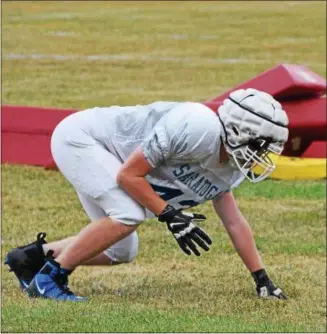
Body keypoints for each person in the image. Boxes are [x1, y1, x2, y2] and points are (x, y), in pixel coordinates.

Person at [5, 88, 289, 301]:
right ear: (239, 130)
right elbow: (128, 175)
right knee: (129, 214)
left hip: (109, 159)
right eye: (261, 145)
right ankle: (50, 279)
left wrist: (261, 277)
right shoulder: (198, 126)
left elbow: (233, 221)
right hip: (83, 139)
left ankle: (30, 258)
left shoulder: (232, 167)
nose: (261, 154)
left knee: (122, 250)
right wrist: (168, 214)